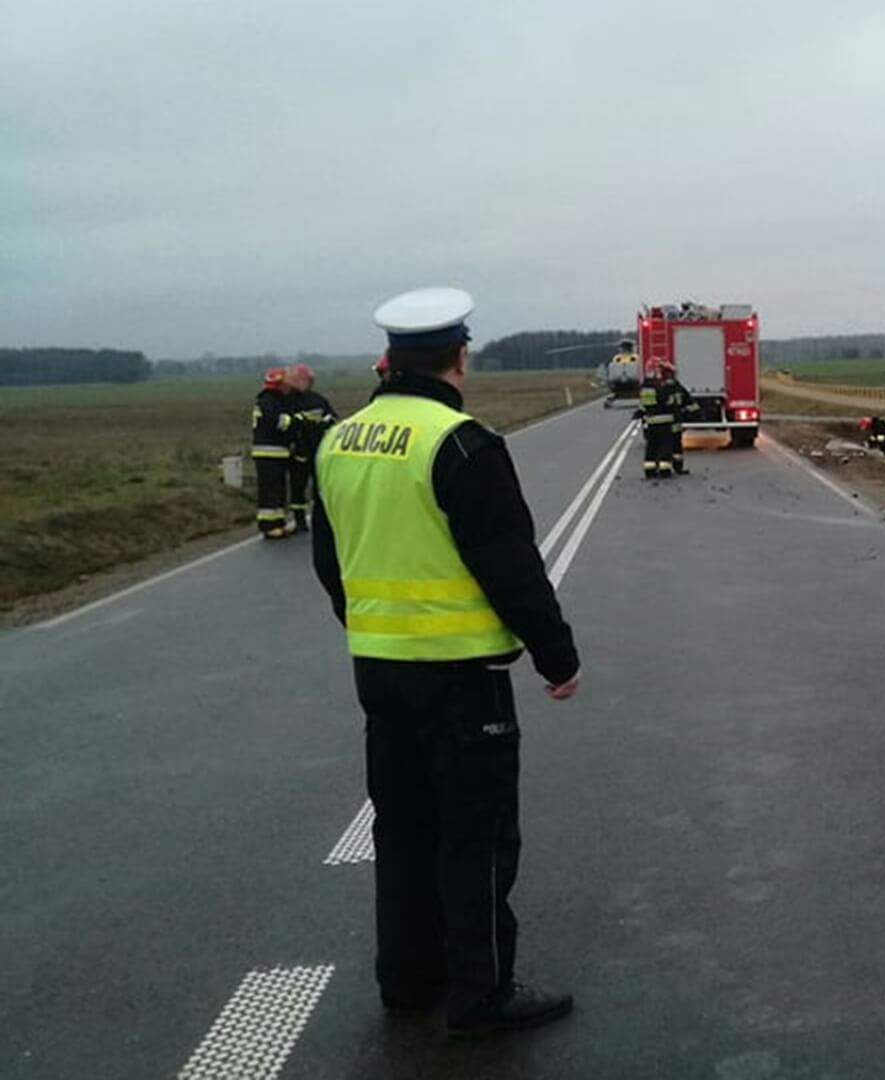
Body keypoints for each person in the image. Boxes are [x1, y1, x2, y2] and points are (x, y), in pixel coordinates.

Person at [310, 286, 581, 1038]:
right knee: (477, 837)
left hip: (379, 671)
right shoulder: (462, 444)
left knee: (402, 833)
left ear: (388, 360)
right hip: (463, 680)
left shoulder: (340, 441)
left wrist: (369, 626)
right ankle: (482, 995)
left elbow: (330, 560)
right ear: (460, 358)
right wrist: (557, 657)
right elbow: (512, 568)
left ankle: (407, 982)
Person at [285, 363, 337, 533]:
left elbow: (332, 417)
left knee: (319, 487)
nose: (305, 383)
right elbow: (285, 424)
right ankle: (300, 520)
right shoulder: (286, 401)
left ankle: (320, 518)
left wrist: (327, 422)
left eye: (307, 380)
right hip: (298, 451)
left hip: (319, 450)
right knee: (297, 487)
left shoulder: (318, 399)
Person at [251, 367, 296, 538]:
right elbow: (278, 423)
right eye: (285, 384)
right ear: (279, 384)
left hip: (277, 453)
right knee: (269, 491)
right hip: (268, 453)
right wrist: (295, 420)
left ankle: (279, 522)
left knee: (278, 490)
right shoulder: (268, 401)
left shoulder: (273, 399)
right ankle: (268, 526)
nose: (288, 387)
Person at [635, 366, 677, 479]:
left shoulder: (645, 388)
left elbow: (644, 406)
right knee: (665, 448)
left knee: (651, 448)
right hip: (664, 423)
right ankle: (665, 471)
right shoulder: (662, 388)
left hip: (651, 423)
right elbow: (669, 403)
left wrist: (640, 413)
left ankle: (650, 471)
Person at [660, 363, 699, 475]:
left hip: (665, 424)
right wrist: (691, 414)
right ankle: (678, 468)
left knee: (665, 447)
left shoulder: (660, 388)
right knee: (677, 447)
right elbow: (689, 401)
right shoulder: (678, 387)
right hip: (676, 423)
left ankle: (665, 470)